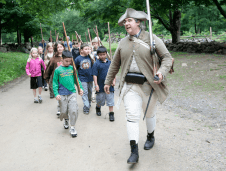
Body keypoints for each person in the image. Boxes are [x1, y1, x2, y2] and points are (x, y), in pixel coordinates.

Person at [104, 8, 173, 164]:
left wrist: (161, 73)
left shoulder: (151, 38)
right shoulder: (122, 43)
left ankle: (150, 135)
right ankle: (134, 151)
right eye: (125, 21)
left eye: (129, 20)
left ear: (138, 22)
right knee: (132, 116)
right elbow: (115, 64)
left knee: (149, 114)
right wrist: (108, 81)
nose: (126, 23)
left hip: (149, 85)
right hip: (129, 86)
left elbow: (167, 58)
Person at [53, 50, 83, 137]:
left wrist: (80, 88)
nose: (68, 63)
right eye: (66, 61)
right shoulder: (58, 70)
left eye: (70, 61)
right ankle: (66, 119)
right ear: (62, 59)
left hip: (72, 93)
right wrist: (56, 93)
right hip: (62, 94)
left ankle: (72, 127)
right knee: (63, 111)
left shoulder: (72, 68)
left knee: (73, 110)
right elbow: (54, 82)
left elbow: (77, 79)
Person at [92, 46, 116, 121]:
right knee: (100, 99)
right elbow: (95, 75)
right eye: (100, 54)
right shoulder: (96, 64)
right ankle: (98, 107)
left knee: (110, 100)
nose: (102, 56)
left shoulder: (110, 63)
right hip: (100, 85)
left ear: (106, 54)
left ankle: (111, 114)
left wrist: (114, 81)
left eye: (104, 54)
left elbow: (113, 73)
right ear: (98, 55)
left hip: (109, 86)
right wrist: (96, 85)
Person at [44, 42, 64, 115]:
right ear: (56, 48)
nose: (60, 48)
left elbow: (72, 68)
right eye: (58, 47)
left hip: (66, 80)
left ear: (63, 47)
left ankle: (65, 108)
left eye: (61, 47)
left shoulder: (67, 57)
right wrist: (47, 78)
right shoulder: (53, 59)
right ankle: (59, 108)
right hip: (57, 80)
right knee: (59, 94)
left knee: (65, 95)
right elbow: (49, 69)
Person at [74, 43, 94, 114]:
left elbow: (94, 65)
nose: (88, 50)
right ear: (81, 50)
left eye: (89, 49)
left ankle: (88, 103)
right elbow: (75, 68)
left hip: (90, 78)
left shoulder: (91, 57)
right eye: (86, 49)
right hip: (82, 78)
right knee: (84, 92)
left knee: (90, 92)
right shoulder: (78, 59)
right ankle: (86, 106)